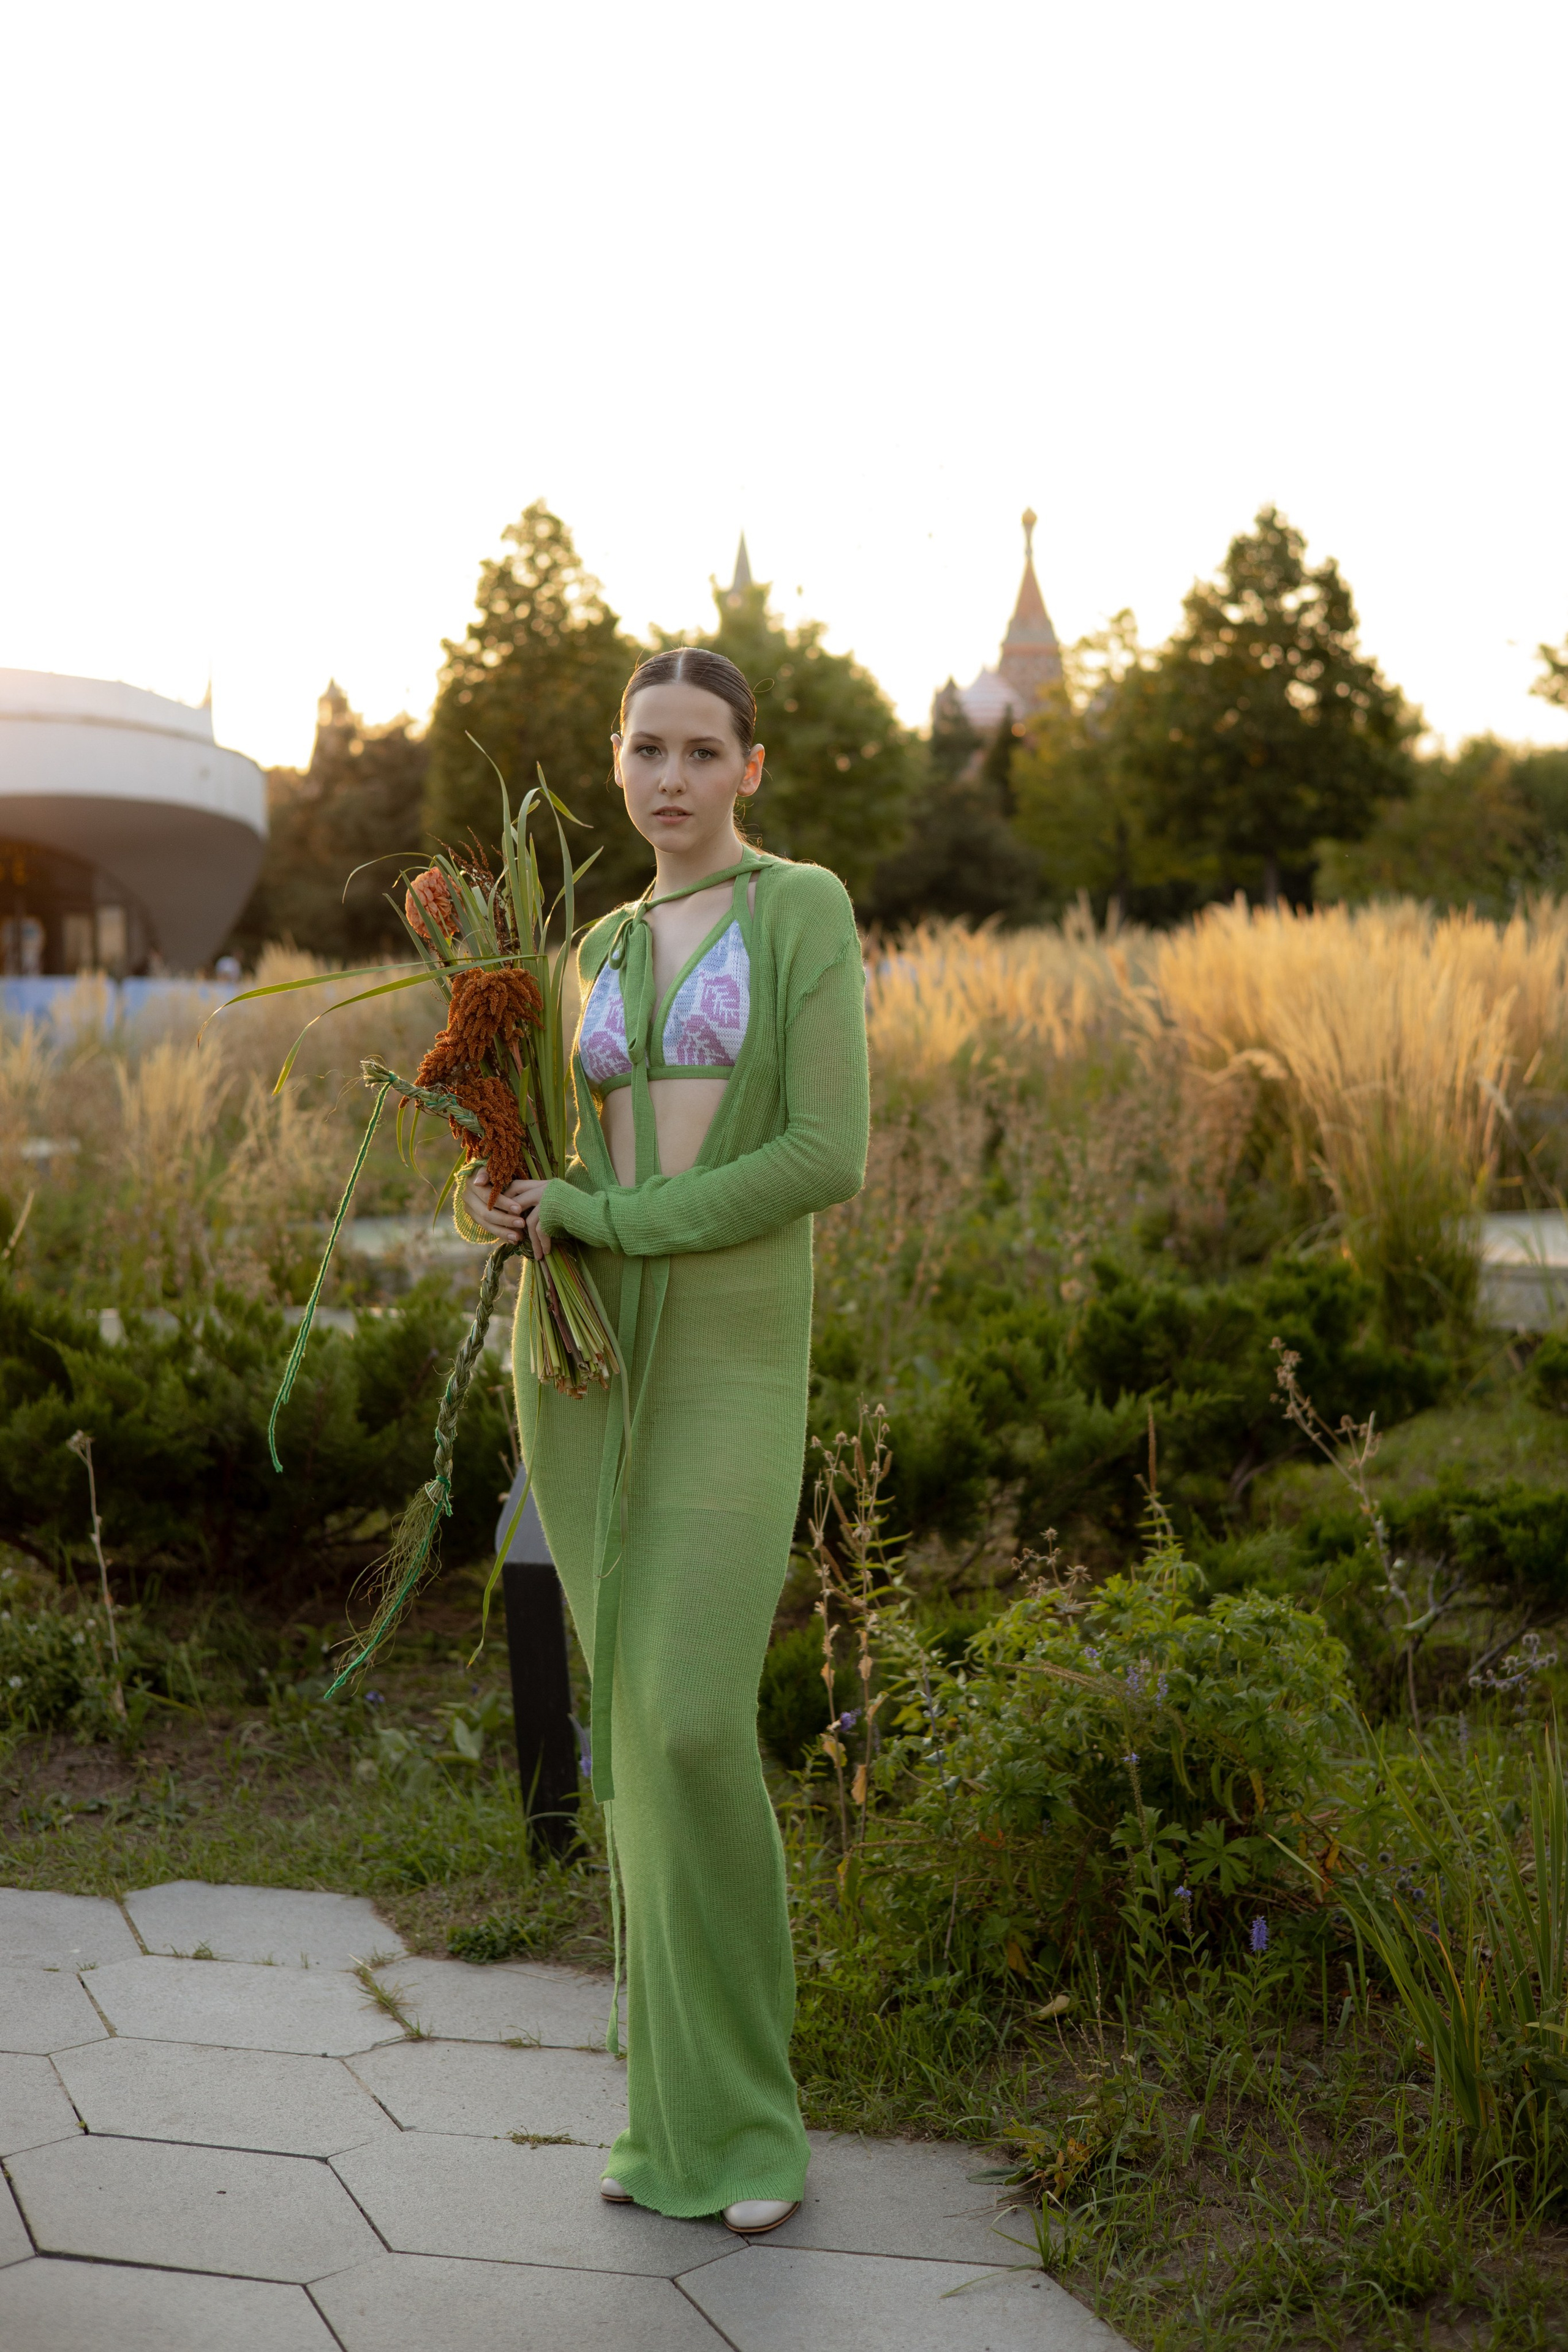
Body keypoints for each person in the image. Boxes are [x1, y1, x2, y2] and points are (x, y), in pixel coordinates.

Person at [459, 646, 869, 2234]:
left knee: (694, 1721)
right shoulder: (599, 947)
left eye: (704, 749)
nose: (673, 777)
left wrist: (615, 1218)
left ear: (750, 769)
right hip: (589, 1371)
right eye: (647, 750)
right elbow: (550, 1164)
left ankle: (755, 2129)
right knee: (631, 1746)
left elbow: (822, 1153)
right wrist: (495, 1198)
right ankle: (667, 2129)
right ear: (617, 766)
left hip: (734, 1367)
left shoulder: (802, 909)